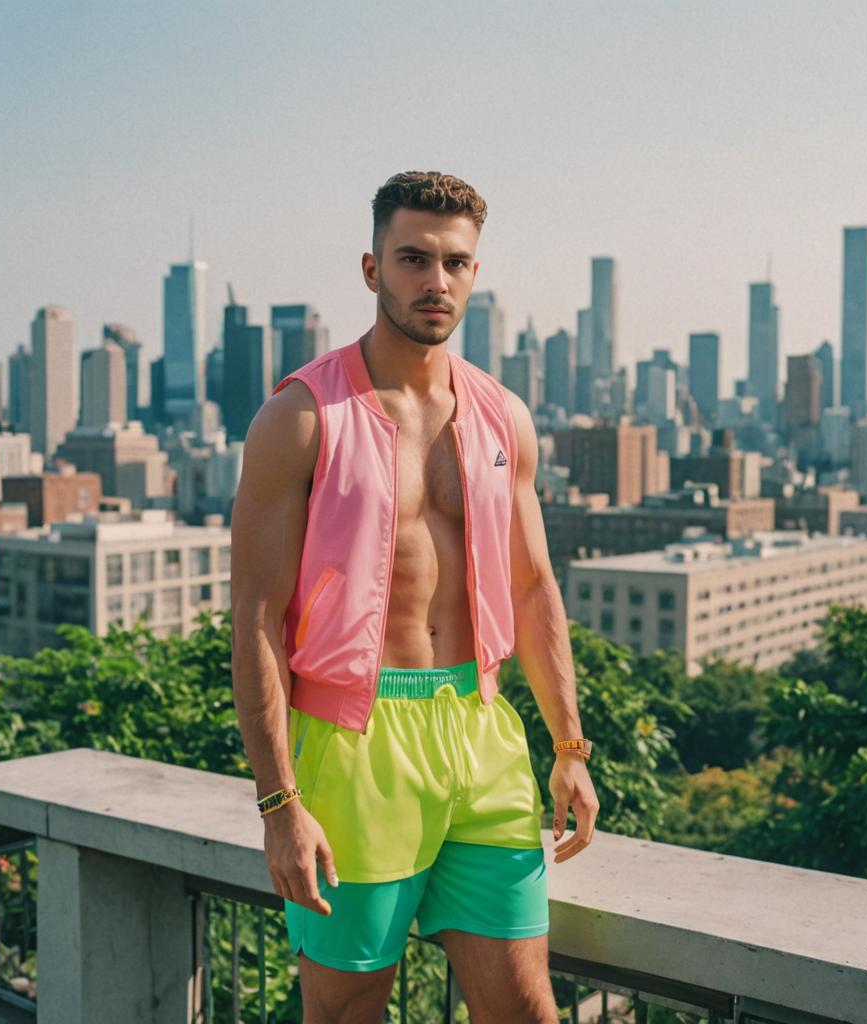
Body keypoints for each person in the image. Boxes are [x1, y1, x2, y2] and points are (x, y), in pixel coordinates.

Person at [231, 170, 598, 1023]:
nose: (437, 281)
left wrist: (569, 744)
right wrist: (280, 802)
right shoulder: (300, 416)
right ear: (372, 269)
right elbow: (254, 613)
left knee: (526, 1009)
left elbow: (534, 587)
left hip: (480, 727)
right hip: (353, 743)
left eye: (457, 264)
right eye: (413, 259)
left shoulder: (505, 417)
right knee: (351, 1010)